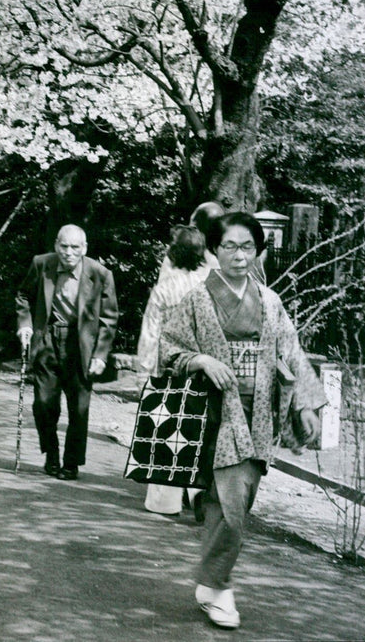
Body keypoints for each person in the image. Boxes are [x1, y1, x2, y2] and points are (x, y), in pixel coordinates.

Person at [160, 211, 325, 630]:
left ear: (258, 250)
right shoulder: (198, 299)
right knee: (232, 508)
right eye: (229, 246)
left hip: (258, 414)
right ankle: (219, 588)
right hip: (214, 412)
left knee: (235, 500)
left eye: (247, 246)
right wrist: (201, 359)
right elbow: (169, 348)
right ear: (214, 250)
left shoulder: (270, 302)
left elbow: (292, 352)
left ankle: (209, 581)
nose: (238, 255)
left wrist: (306, 404)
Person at [136, 200, 225, 515]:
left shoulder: (165, 288)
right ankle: (199, 491)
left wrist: (145, 370)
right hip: (202, 366)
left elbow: (152, 332)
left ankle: (166, 501)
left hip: (170, 365)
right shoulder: (212, 282)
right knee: (200, 431)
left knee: (166, 432)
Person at [16, 224, 118, 481]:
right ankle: (51, 454)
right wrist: (25, 325)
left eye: (75, 247)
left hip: (81, 345)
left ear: (84, 248)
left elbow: (109, 317)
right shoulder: (42, 264)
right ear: (56, 246)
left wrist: (100, 355)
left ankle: (71, 463)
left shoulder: (100, 273)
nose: (69, 253)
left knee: (78, 408)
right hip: (48, 339)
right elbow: (23, 295)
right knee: (43, 404)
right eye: (64, 246)